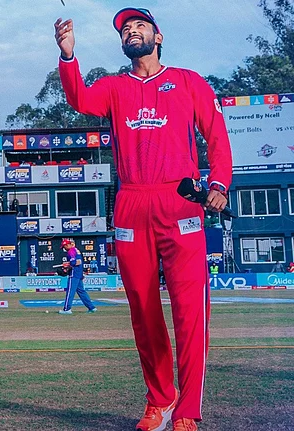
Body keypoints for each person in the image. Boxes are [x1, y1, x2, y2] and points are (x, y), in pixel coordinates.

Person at [55, 8, 232, 430]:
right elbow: (79, 99)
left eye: (140, 26)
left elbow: (217, 137)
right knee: (143, 308)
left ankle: (187, 409)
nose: (132, 31)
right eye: (125, 29)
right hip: (132, 201)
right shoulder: (114, 87)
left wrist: (219, 185)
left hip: (180, 200)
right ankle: (160, 399)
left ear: (159, 36)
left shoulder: (189, 81)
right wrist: (67, 56)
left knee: (190, 310)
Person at [58, 239, 96, 314]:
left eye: (64, 246)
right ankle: (91, 307)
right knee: (81, 291)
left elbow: (75, 262)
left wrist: (67, 265)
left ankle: (67, 309)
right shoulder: (76, 250)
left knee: (70, 292)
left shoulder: (71, 251)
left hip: (74, 274)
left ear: (67, 245)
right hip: (78, 273)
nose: (64, 248)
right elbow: (79, 262)